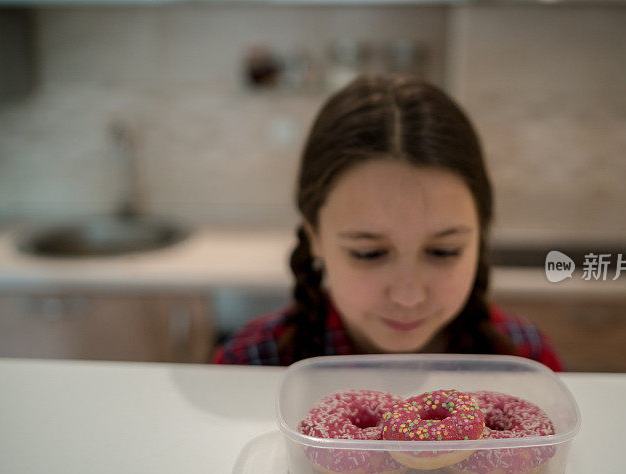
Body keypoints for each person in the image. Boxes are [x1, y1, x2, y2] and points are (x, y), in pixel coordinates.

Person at [213, 75, 562, 371]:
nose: (408, 296)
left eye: (444, 251)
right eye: (369, 253)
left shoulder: (523, 360)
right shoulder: (253, 363)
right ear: (314, 236)